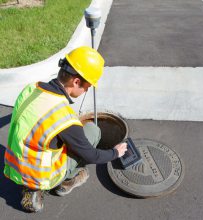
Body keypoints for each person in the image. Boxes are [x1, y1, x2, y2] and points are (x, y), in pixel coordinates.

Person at [4, 46, 127, 213]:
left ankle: (30, 189)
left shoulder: (30, 90)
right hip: (42, 174)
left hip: (15, 166)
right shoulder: (64, 117)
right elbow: (91, 154)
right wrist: (115, 153)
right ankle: (64, 182)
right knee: (93, 130)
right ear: (76, 81)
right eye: (87, 85)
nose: (87, 89)